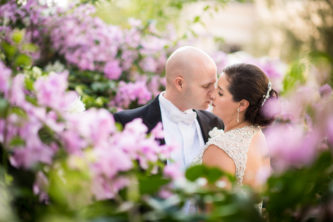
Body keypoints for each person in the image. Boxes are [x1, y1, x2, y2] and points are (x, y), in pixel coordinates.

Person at [114, 46, 224, 171]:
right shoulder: (128, 124)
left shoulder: (215, 124)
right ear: (180, 83)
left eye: (214, 85)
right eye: (206, 86)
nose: (213, 94)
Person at [202, 63, 277, 190]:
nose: (212, 95)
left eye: (220, 93)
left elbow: (212, 208)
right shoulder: (258, 136)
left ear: (242, 105)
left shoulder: (220, 148)